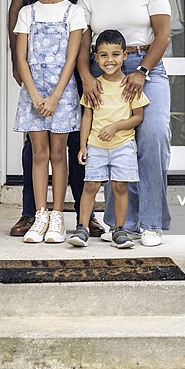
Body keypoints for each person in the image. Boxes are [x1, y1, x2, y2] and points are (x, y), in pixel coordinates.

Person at [8, 0, 104, 237]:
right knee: (36, 148)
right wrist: (19, 65)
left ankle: (80, 215)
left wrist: (89, 71)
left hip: (79, 64)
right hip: (36, 77)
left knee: (74, 143)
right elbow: (16, 8)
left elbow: (99, 2)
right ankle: (34, 213)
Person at [77, 0, 172, 247]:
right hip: (104, 70)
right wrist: (87, 77)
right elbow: (82, 44)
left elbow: (163, 36)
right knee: (114, 139)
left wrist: (142, 70)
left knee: (154, 136)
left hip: (147, 65)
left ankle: (152, 223)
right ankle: (123, 224)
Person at [13, 0, 86, 243]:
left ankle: (57, 217)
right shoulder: (27, 13)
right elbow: (21, 58)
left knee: (58, 154)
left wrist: (55, 96)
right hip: (33, 94)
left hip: (62, 95)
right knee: (38, 154)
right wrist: (34, 95)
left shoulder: (74, 12)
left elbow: (71, 60)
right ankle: (40, 215)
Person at [69, 30, 150, 249]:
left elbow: (138, 117)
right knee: (90, 185)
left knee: (120, 186)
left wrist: (115, 127)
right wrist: (83, 145)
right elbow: (87, 116)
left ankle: (119, 230)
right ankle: (82, 228)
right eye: (103, 55)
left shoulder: (130, 85)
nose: (109, 60)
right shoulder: (93, 86)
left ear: (124, 55)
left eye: (115, 54)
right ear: (96, 57)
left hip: (123, 146)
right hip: (96, 146)